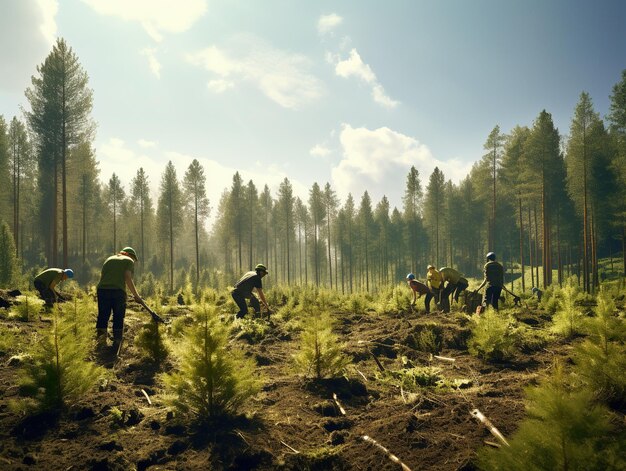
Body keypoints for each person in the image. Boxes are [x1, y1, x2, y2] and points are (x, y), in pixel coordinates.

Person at [95, 247, 148, 354]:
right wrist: (136, 296)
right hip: (117, 292)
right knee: (118, 316)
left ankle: (100, 344)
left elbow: (105, 276)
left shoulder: (109, 259)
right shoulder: (129, 260)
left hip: (102, 290)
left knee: (103, 315)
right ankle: (117, 344)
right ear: (131, 255)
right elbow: (128, 277)